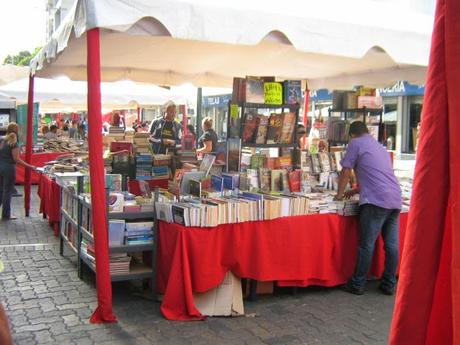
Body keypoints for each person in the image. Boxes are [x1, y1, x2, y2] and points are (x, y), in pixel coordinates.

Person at [335, 121, 401, 295]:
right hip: (394, 199)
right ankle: (389, 284)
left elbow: (345, 171)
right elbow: (377, 175)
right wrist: (355, 190)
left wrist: (340, 194)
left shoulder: (355, 143)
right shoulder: (379, 146)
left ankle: (357, 284)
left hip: (375, 201)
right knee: (392, 245)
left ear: (352, 135)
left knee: (366, 244)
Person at [0, 123, 36, 220]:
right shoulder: (14, 143)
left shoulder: (2, 140)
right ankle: (6, 214)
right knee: (7, 191)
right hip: (9, 169)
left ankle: (4, 213)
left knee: (1, 191)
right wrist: (29, 166)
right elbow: (16, 159)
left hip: (0, 167)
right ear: (16, 130)